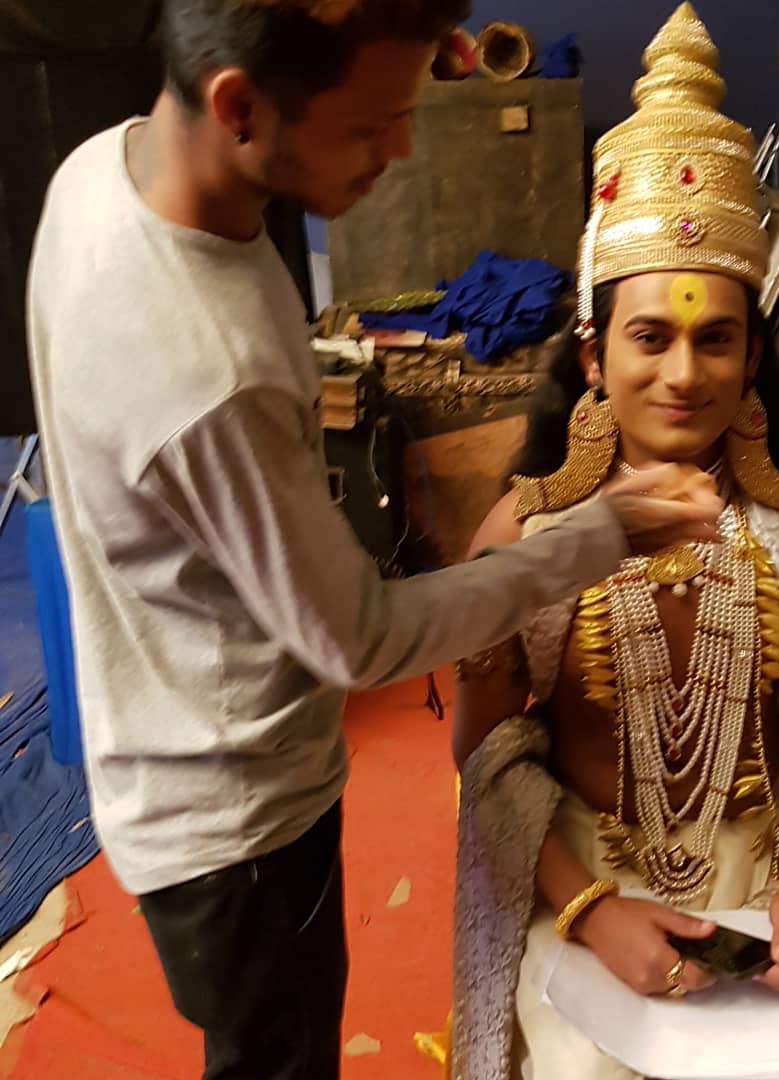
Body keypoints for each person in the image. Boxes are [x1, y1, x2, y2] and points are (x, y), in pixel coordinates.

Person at [25, 1, 723, 1076]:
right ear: (239, 104)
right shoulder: (208, 373)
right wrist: (602, 532)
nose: (399, 150)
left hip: (171, 722)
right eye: (369, 124)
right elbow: (361, 639)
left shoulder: (99, 170)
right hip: (234, 827)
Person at [449, 5, 779, 1079]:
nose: (685, 374)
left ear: (753, 358)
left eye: (717, 338)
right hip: (577, 872)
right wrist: (589, 908)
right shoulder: (526, 532)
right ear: (593, 354)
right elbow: (485, 755)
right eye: (650, 336)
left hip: (766, 877)